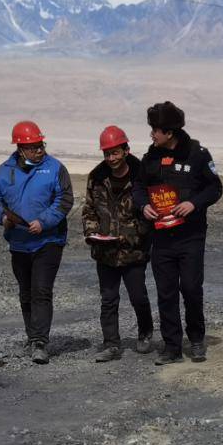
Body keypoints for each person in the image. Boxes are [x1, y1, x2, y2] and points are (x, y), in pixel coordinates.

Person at [132, 101, 222, 365]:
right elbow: (138, 187)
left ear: (169, 132)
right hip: (161, 238)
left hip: (191, 237)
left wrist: (193, 203)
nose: (152, 135)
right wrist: (143, 205)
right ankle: (172, 346)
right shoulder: (151, 158)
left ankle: (196, 340)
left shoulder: (198, 154)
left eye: (155, 130)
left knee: (192, 289)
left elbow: (214, 188)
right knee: (166, 291)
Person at [0, 120, 74, 364]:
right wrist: (2, 218)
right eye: (33, 147)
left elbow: (65, 200)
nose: (39, 150)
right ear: (20, 148)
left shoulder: (56, 168)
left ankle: (40, 342)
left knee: (41, 291)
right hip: (18, 243)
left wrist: (44, 221)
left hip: (49, 240)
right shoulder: (4, 170)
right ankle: (31, 337)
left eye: (40, 145)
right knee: (25, 292)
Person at [82, 125, 155, 362]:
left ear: (126, 150)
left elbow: (150, 211)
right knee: (108, 298)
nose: (111, 158)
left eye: (115, 152)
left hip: (134, 250)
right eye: (107, 153)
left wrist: (134, 234)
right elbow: (89, 210)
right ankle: (111, 343)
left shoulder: (142, 175)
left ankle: (145, 332)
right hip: (105, 251)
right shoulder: (96, 177)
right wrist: (92, 233)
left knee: (138, 296)